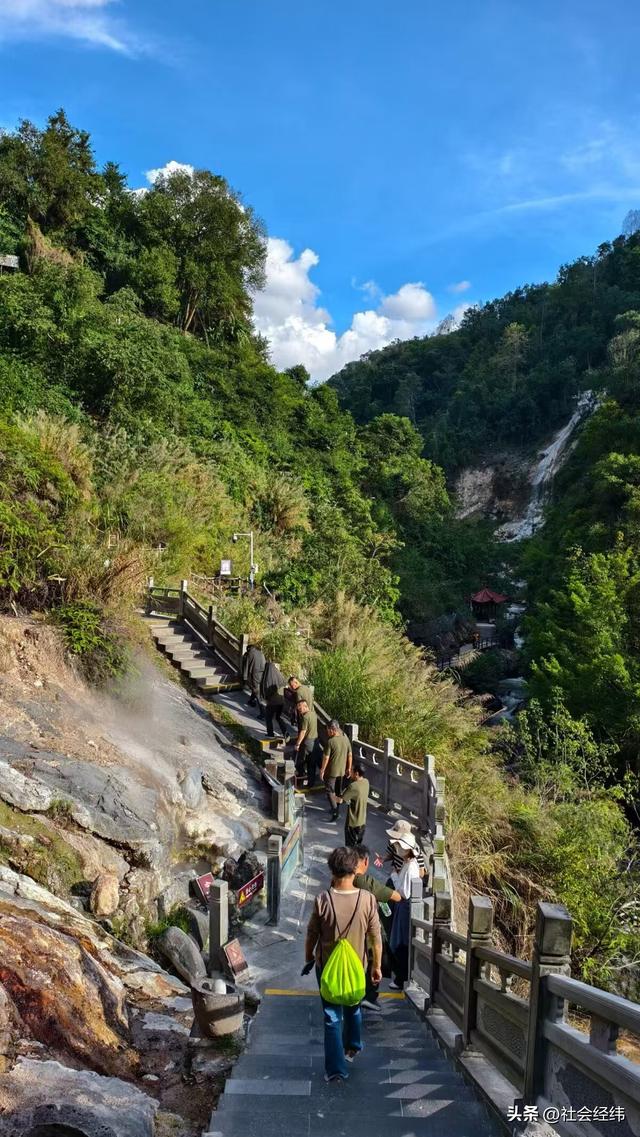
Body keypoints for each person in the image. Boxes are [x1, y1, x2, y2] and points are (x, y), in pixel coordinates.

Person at [303, 846, 382, 1082]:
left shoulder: (322, 900)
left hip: (327, 967)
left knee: (331, 1015)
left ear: (332, 870)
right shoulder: (367, 899)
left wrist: (309, 957)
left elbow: (311, 935)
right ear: (355, 870)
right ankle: (353, 1046)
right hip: (358, 966)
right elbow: (375, 938)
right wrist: (377, 966)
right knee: (354, 1006)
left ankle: (336, 1070)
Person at [353, 846, 401, 1012]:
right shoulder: (364, 881)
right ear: (365, 861)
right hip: (367, 929)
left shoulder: (340, 879)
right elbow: (396, 896)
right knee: (374, 958)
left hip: (346, 929)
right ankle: (369, 996)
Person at [387, 830, 421, 990]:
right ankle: (401, 976)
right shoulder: (410, 864)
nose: (397, 848)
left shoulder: (410, 867)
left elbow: (404, 892)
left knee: (399, 942)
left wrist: (394, 876)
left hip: (404, 905)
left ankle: (401, 978)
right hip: (405, 906)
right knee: (400, 941)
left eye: (400, 846)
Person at [319, 720, 352, 821]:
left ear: (333, 730)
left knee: (329, 791)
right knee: (338, 791)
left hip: (332, 771)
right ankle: (336, 808)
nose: (327, 732)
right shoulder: (345, 739)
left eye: (328, 730)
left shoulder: (330, 742)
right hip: (342, 771)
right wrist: (349, 768)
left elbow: (326, 758)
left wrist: (322, 770)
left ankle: (335, 812)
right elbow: (350, 754)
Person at [336, 764, 369, 847]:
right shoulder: (366, 782)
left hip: (353, 823)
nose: (350, 772)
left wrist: (332, 795)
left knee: (350, 847)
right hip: (362, 821)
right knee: (358, 845)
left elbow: (340, 800)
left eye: (352, 771)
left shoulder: (353, 786)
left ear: (356, 773)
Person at [294, 698, 321, 788]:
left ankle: (299, 781)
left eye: (300, 708)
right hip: (315, 741)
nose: (299, 710)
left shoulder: (305, 717)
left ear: (305, 706)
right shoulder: (314, 714)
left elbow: (303, 731)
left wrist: (297, 744)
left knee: (300, 762)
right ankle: (311, 783)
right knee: (312, 764)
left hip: (308, 743)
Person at [260, 659, 287, 737]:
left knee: (268, 718)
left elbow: (267, 690)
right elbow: (284, 684)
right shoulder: (279, 675)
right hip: (281, 702)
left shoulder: (268, 677)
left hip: (272, 702)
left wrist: (265, 698)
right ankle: (285, 732)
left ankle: (270, 733)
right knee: (278, 717)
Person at [242, 642, 266, 716]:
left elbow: (246, 666)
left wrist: (244, 677)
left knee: (256, 691)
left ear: (249, 649)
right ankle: (251, 700)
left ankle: (262, 713)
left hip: (255, 674)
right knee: (256, 689)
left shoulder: (250, 654)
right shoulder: (261, 653)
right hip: (262, 674)